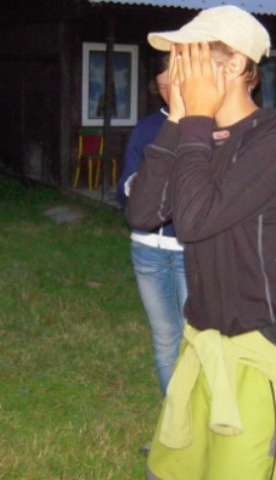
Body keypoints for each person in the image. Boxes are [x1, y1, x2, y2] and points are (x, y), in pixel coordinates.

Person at [125, 5, 276, 480]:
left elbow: (193, 220)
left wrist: (194, 122)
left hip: (259, 350)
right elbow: (143, 213)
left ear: (233, 65)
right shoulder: (195, 132)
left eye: (188, 58)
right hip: (202, 341)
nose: (174, 71)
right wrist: (179, 120)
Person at [117, 54, 187, 394]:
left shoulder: (208, 127)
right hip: (147, 249)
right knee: (165, 337)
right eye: (162, 86)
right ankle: (173, 417)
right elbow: (124, 189)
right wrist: (141, 184)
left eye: (176, 84)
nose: (170, 92)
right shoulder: (147, 128)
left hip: (191, 250)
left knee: (196, 337)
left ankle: (198, 417)